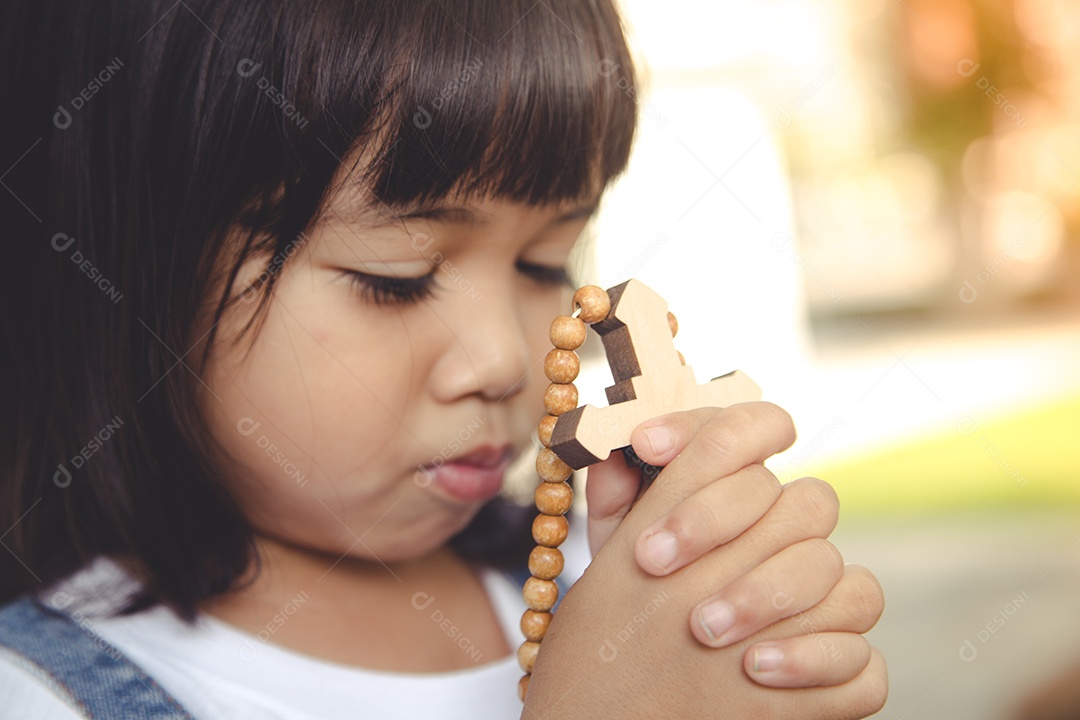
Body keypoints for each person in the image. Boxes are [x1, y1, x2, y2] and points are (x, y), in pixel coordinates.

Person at [0, 0, 887, 718]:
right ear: (127, 272)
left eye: (546, 264)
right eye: (399, 277)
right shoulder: (39, 694)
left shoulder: (601, 577)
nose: (506, 358)